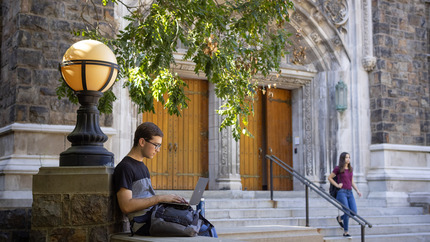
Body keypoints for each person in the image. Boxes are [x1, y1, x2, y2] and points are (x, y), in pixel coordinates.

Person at [113, 122, 188, 235]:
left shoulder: (143, 167)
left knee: (197, 221)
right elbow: (126, 206)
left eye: (159, 146)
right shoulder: (125, 167)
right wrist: (160, 198)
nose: (158, 150)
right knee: (196, 228)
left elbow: (147, 198)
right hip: (143, 224)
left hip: (154, 217)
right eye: (156, 145)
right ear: (142, 142)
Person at [328, 152, 362, 237]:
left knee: (353, 212)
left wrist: (357, 190)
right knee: (347, 211)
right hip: (341, 192)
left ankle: (340, 218)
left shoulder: (350, 169)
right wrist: (337, 185)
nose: (348, 159)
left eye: (349, 157)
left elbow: (351, 181)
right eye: (346, 157)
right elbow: (329, 177)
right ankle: (346, 232)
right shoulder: (338, 168)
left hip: (350, 192)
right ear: (343, 159)